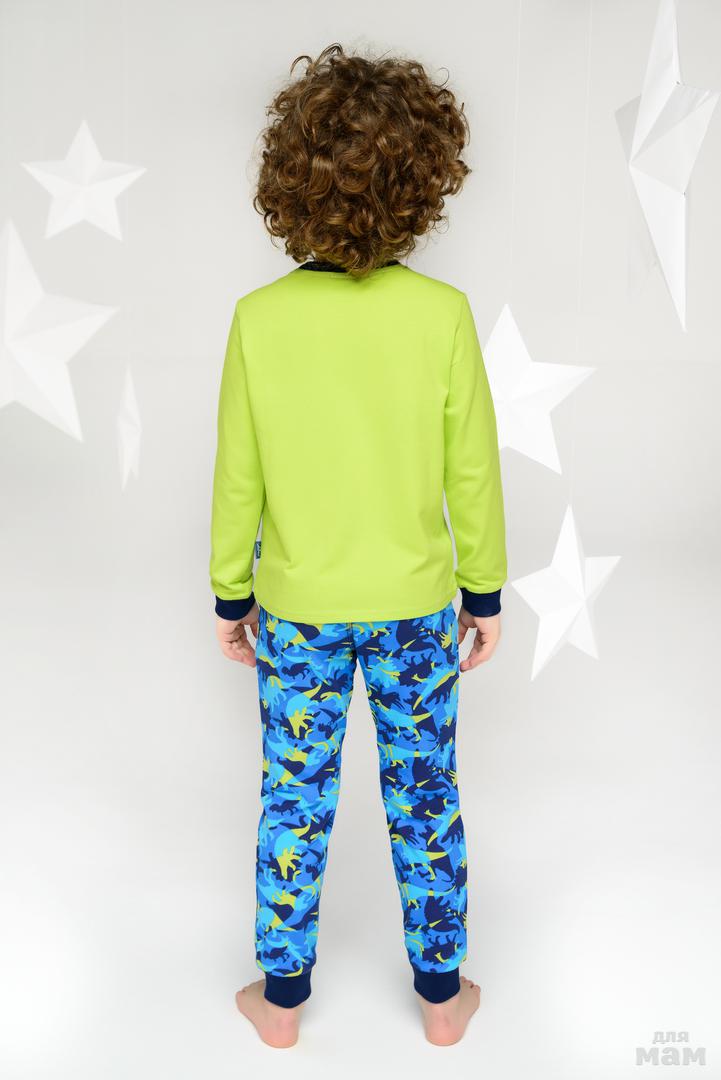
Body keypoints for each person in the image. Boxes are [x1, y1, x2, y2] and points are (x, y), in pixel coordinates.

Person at [209, 42, 507, 1049]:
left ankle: (280, 1005)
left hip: (297, 611)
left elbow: (238, 475)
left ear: (289, 180)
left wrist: (230, 595)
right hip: (416, 609)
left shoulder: (259, 321)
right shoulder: (441, 317)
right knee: (425, 797)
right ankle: (441, 1001)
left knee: (293, 799)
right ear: (423, 182)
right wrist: (483, 591)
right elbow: (472, 472)